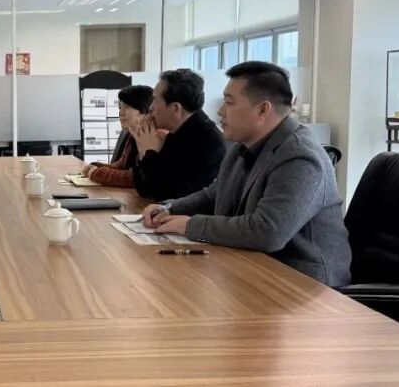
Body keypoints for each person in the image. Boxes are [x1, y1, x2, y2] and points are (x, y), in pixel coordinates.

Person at [142, 62, 351, 287]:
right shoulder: (242, 146)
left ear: (263, 110)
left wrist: (189, 225)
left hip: (303, 285)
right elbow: (213, 195)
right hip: (252, 269)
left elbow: (267, 231)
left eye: (229, 102)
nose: (220, 111)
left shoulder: (300, 157)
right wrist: (169, 208)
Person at [129, 69, 226, 200]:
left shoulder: (208, 143)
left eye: (155, 101)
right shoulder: (177, 133)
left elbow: (169, 195)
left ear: (175, 108)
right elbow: (145, 190)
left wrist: (149, 153)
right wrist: (142, 151)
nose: (150, 107)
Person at [82, 85, 153, 187]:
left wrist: (95, 173)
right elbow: (121, 165)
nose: (121, 113)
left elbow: (136, 178)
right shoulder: (132, 135)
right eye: (120, 107)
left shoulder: (156, 138)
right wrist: (95, 166)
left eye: (127, 107)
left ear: (144, 110)